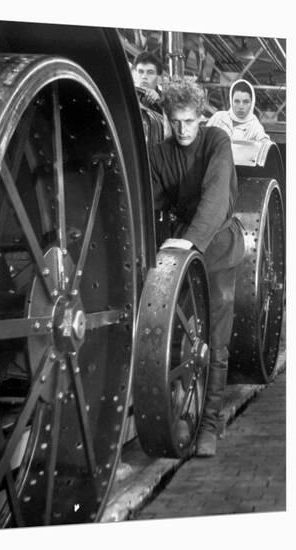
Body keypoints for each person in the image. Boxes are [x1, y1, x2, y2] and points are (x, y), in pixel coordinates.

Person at [150, 80, 245, 457]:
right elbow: (150, 202)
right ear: (168, 119)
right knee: (182, 336)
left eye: (190, 121)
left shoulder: (216, 141)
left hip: (217, 246)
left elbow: (217, 196)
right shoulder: (159, 153)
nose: (184, 130)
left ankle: (208, 425)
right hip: (182, 250)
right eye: (176, 122)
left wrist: (190, 242)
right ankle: (185, 412)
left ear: (201, 117)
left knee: (216, 342)